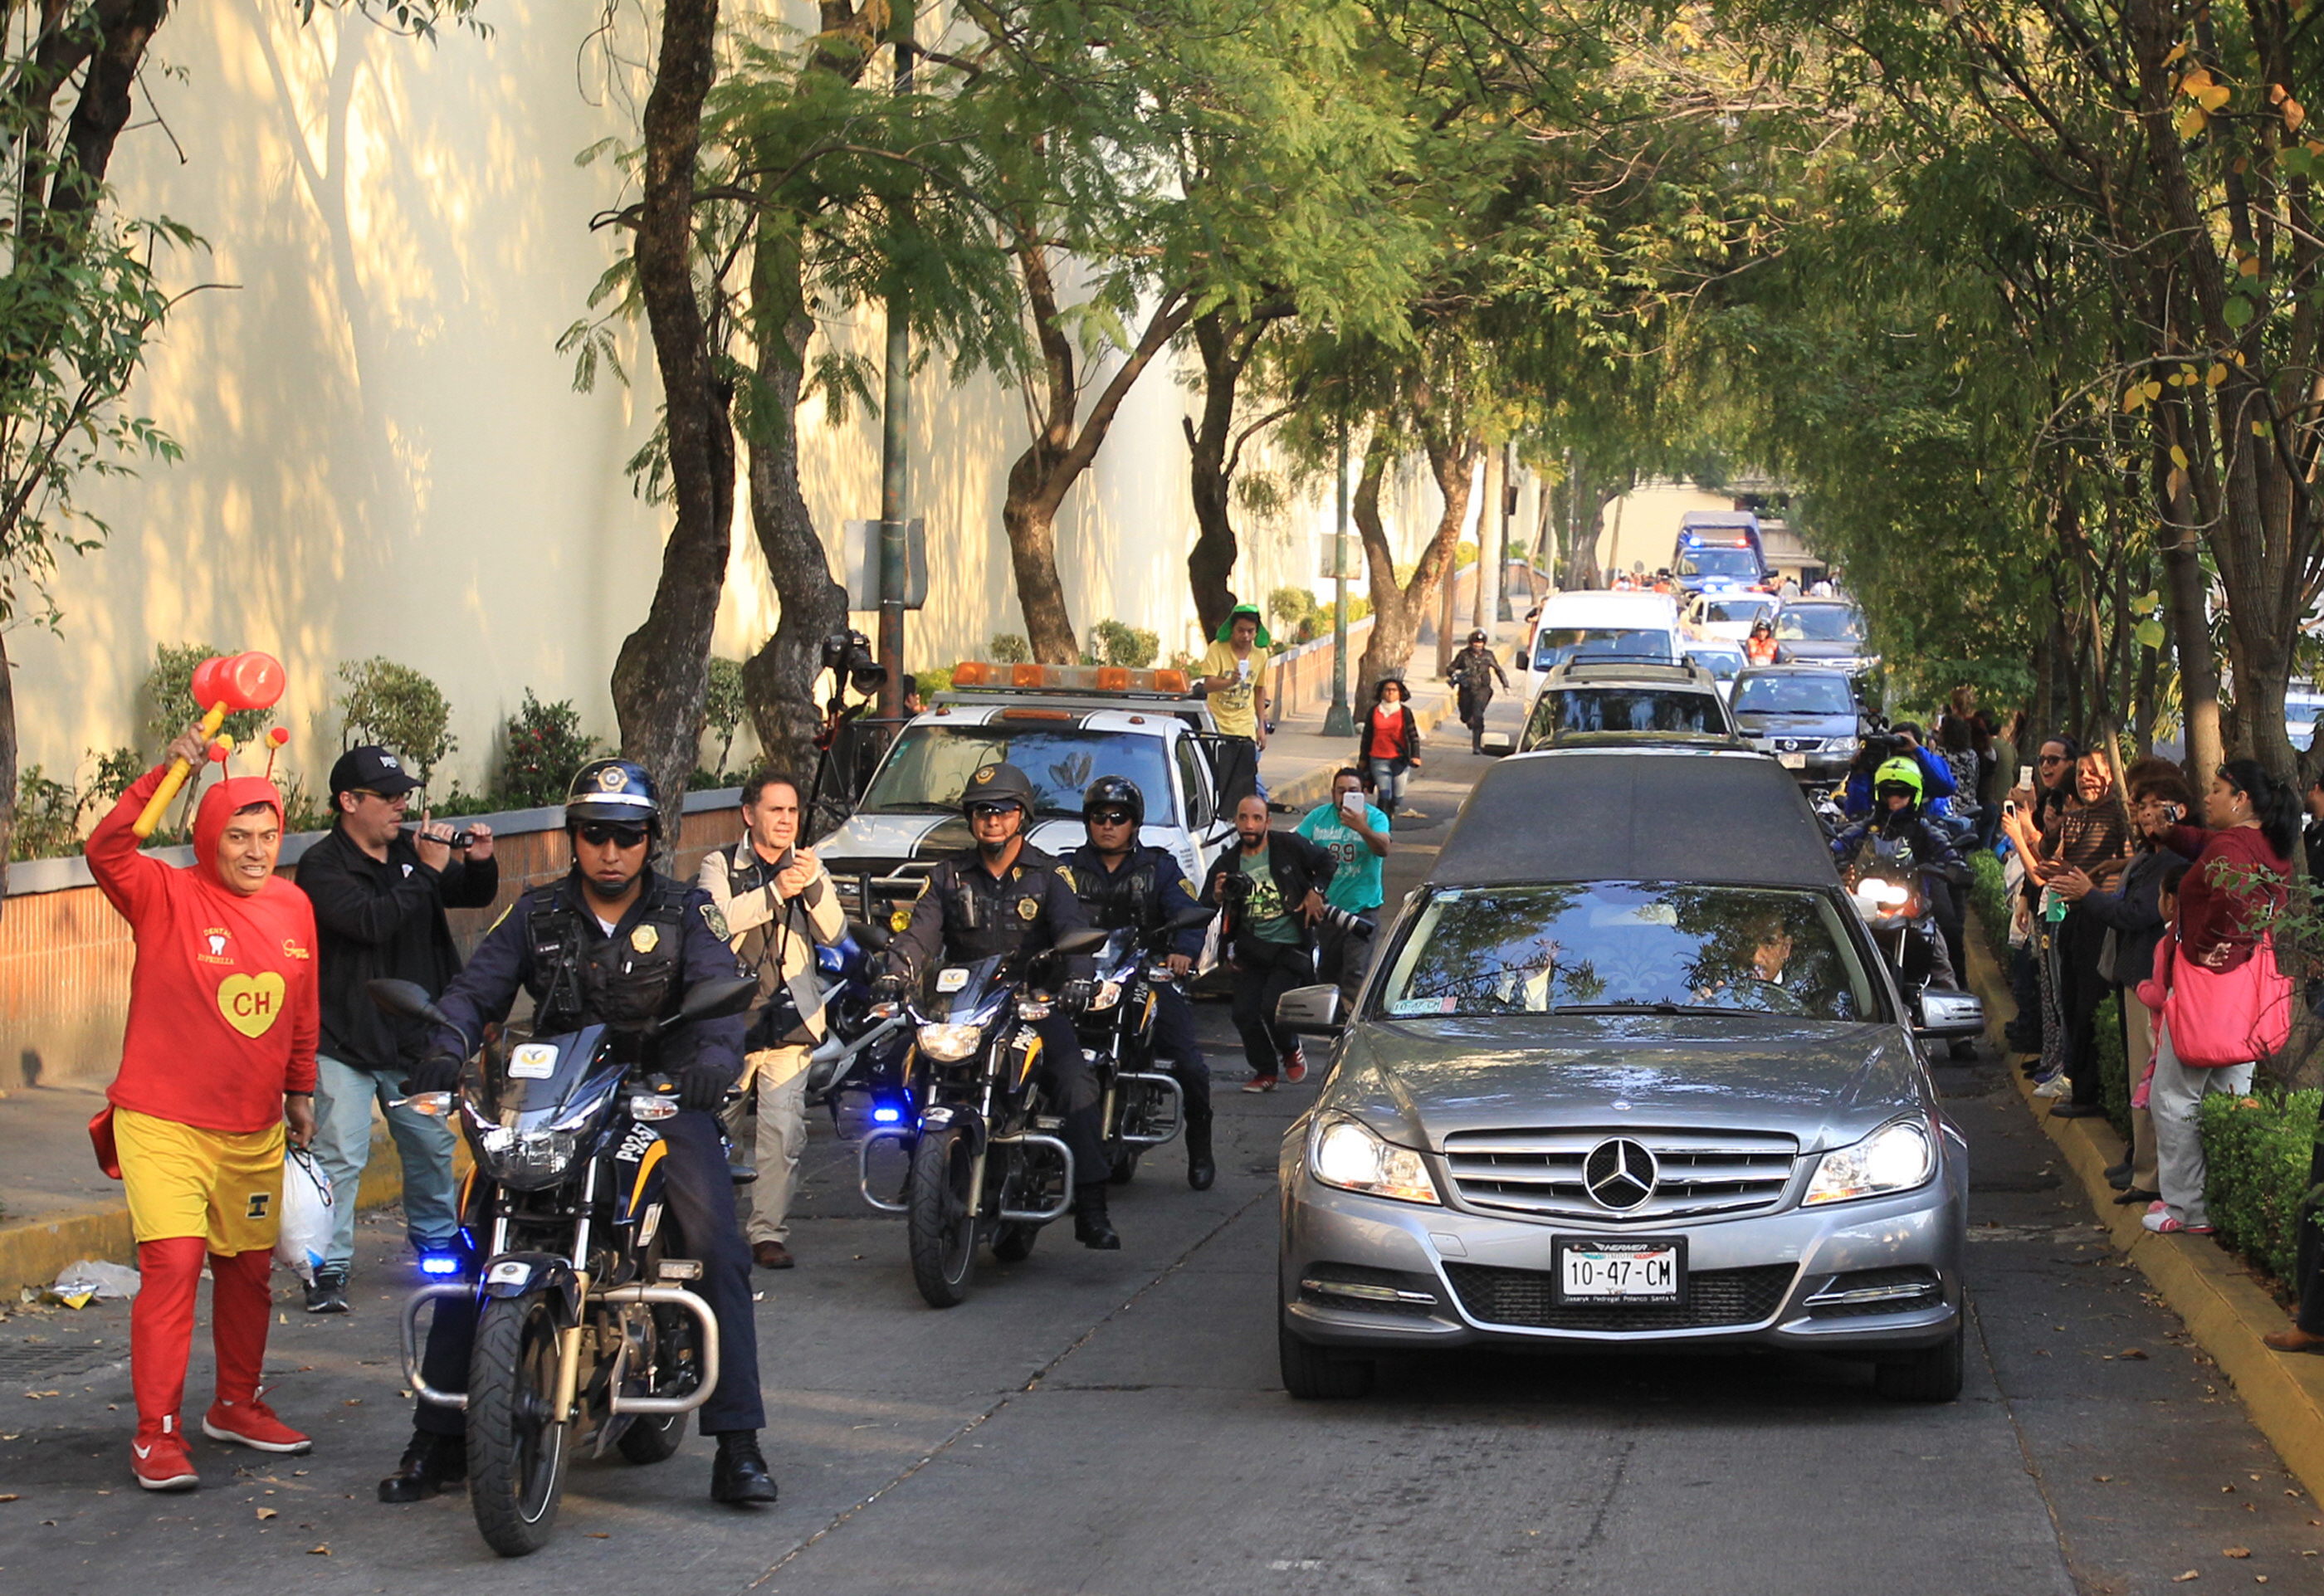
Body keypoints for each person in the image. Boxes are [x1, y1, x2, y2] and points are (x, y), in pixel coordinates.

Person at [380, 759, 777, 1509]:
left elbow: (720, 1000)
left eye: (626, 835)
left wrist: (710, 1065)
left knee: (719, 1245)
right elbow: (474, 990)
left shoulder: (686, 912)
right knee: (475, 1241)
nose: (610, 849)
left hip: (660, 1097)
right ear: (574, 838)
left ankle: (740, 1443)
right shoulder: (537, 913)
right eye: (595, 833)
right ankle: (436, 1440)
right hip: (555, 1098)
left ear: (650, 840)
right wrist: (443, 1047)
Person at [85, 729, 321, 1491]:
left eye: (269, 835)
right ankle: (156, 1433)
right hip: (162, 1123)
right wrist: (175, 766)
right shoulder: (165, 893)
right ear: (211, 838)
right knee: (175, 1263)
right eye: (240, 836)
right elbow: (107, 848)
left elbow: (300, 1011)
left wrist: (300, 1089)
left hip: (253, 1131)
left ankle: (236, 1404)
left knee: (249, 1271)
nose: (256, 851)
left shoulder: (294, 908)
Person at [879, 761, 1120, 1247]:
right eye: (982, 811)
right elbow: (921, 933)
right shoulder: (947, 876)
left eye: (1003, 811)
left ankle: (1092, 1205)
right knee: (892, 1065)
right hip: (965, 1009)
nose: (992, 820)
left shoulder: (1050, 876)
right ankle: (920, 1163)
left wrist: (1077, 981)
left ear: (1021, 816)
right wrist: (894, 971)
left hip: (1031, 1005)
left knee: (1075, 1083)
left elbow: (1073, 933)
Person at [295, 746, 499, 1314]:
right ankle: (326, 1266)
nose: (400, 806)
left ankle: (436, 1243)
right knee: (339, 1152)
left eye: (404, 795)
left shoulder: (411, 852)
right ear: (348, 801)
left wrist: (478, 860)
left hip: (416, 1038)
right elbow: (369, 920)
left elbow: (469, 893)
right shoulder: (321, 866)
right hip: (346, 1037)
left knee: (432, 1145)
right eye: (387, 796)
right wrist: (425, 871)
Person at [2141, 759, 2299, 1236]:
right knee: (2230, 1096)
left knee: (2173, 1097)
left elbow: (2230, 909)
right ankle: (2220, 1205)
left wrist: (2206, 955)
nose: (2207, 797)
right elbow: (2206, 845)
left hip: (2209, 991)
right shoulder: (2263, 844)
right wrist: (2171, 831)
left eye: (2215, 789)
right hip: (2247, 996)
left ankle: (2187, 1209)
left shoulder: (2232, 847)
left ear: (2241, 798)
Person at [698, 770, 844, 1271]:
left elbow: (834, 932)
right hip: (730, 1022)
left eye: (793, 811)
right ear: (749, 814)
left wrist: (812, 884)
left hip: (790, 1020)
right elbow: (713, 924)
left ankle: (767, 1234)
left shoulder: (806, 865)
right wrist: (775, 891)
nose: (786, 820)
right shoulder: (718, 864)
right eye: (775, 810)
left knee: (782, 1134)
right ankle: (714, 1228)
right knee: (721, 1129)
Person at [1065, 776, 1217, 1190]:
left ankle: (1200, 1143)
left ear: (1134, 823)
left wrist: (1182, 950)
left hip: (1144, 972)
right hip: (1083, 977)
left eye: (1118, 817)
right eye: (1099, 817)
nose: (1108, 825)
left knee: (1189, 1062)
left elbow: (1188, 910)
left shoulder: (1159, 866)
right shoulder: (1066, 870)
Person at [2057, 769, 2196, 1202]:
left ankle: (2149, 1177)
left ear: (2179, 810)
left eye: (2154, 805)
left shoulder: (2173, 861)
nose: (2145, 814)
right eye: (2139, 805)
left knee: (2150, 1077)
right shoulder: (2150, 855)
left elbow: (2135, 915)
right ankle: (2139, 1161)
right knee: (2141, 1078)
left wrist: (2088, 893)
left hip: (2150, 981)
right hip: (2133, 975)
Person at [2015, 746, 2130, 1119]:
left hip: (2102, 918)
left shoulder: (2119, 816)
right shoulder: (2077, 817)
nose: (2086, 779)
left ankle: (2090, 1092)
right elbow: (2052, 862)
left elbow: (2124, 860)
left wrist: (2096, 880)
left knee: (2089, 1005)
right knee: (2072, 1003)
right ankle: (2080, 1086)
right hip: (2072, 917)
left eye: (2093, 771)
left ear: (2112, 775)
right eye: (2080, 772)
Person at [1203, 793, 1335, 1093]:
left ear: (1268, 822)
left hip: (1291, 944)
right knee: (1243, 1013)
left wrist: (1316, 890)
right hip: (1251, 947)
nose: (1249, 825)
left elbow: (1327, 861)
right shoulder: (1227, 861)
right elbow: (1204, 906)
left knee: (1272, 1006)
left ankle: (1289, 1049)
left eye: (1256, 818)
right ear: (1236, 822)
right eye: (1243, 818)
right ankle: (1265, 1071)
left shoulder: (1288, 846)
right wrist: (1219, 896)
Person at [1829, 756, 1965, 993]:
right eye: (1888, 793)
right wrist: (1833, 858)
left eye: (1901, 794)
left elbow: (1946, 851)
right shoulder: (1866, 826)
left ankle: (1957, 1003)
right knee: (1829, 944)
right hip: (1866, 903)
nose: (1894, 800)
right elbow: (1839, 844)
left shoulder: (1925, 829)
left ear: (1914, 795)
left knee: (1944, 942)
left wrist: (1954, 867)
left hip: (1914, 905)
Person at [1296, 768, 1389, 1006]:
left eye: (1353, 791)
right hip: (1328, 912)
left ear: (1364, 794)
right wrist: (1310, 890)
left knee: (1355, 974)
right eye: (1341, 791)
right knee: (1327, 976)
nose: (1345, 796)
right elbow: (1296, 852)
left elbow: (1383, 848)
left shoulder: (1375, 817)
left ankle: (1349, 1028)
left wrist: (1362, 828)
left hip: (1362, 911)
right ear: (1332, 793)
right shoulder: (1318, 818)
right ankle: (1331, 1029)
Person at [1198, 604, 1272, 791]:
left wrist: (1261, 728)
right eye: (1241, 631)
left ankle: (1259, 810)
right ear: (1232, 629)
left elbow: (1259, 691)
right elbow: (1208, 684)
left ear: (1257, 631)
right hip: (1217, 725)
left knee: (1249, 778)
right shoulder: (1217, 649)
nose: (1245, 636)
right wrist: (1229, 682)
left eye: (1250, 631)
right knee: (1219, 780)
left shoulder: (1260, 654)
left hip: (1245, 726)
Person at [1357, 676, 1423, 818]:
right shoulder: (1374, 711)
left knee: (1397, 797)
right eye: (1387, 690)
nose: (1390, 693)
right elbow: (1367, 737)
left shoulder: (1405, 712)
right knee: (1384, 793)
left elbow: (1413, 736)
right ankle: (1383, 822)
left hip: (1399, 760)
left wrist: (1416, 756)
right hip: (1378, 759)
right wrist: (1363, 759)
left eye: (1394, 690)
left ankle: (1391, 810)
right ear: (1381, 692)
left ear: (1400, 693)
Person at [1446, 629, 1509, 754]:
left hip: (1483, 690)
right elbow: (1451, 668)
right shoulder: (1463, 655)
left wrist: (1505, 685)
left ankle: (1477, 746)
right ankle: (1470, 722)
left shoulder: (1488, 655)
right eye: (1475, 644)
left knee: (1478, 714)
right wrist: (1455, 673)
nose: (1478, 646)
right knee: (1465, 716)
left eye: (1480, 644)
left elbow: (1498, 670)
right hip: (1466, 690)